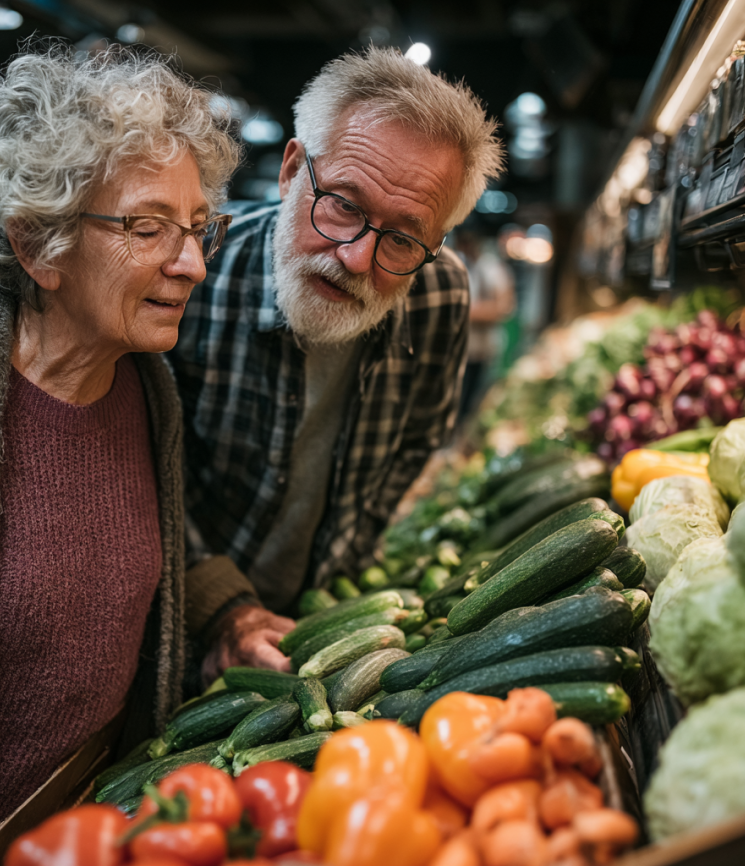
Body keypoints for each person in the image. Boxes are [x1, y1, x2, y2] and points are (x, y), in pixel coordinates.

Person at [0, 45, 242, 864]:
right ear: (38, 242)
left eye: (197, 229)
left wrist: (228, 607)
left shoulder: (147, 391)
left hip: (93, 832)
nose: (190, 264)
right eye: (149, 227)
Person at [169, 47, 504, 682]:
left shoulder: (441, 296)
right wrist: (221, 607)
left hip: (318, 622)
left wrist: (338, 580)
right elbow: (142, 473)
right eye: (344, 205)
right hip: (176, 617)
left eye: (403, 238)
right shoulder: (193, 277)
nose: (356, 259)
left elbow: (416, 443)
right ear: (292, 170)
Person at [455, 230, 516, 418]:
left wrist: (466, 311)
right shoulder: (460, 266)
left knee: (477, 399)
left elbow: (505, 307)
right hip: (460, 347)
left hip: (485, 348)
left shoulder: (493, 269)